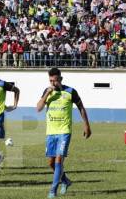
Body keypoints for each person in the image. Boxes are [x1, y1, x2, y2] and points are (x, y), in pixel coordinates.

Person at [37, 68, 91, 198]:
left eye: (54, 80)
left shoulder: (70, 91)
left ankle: (52, 190)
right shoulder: (47, 91)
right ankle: (65, 181)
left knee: (59, 160)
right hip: (51, 131)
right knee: (51, 163)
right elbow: (38, 108)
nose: (52, 83)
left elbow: (81, 108)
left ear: (60, 79)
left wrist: (86, 125)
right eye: (50, 80)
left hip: (64, 131)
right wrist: (46, 95)